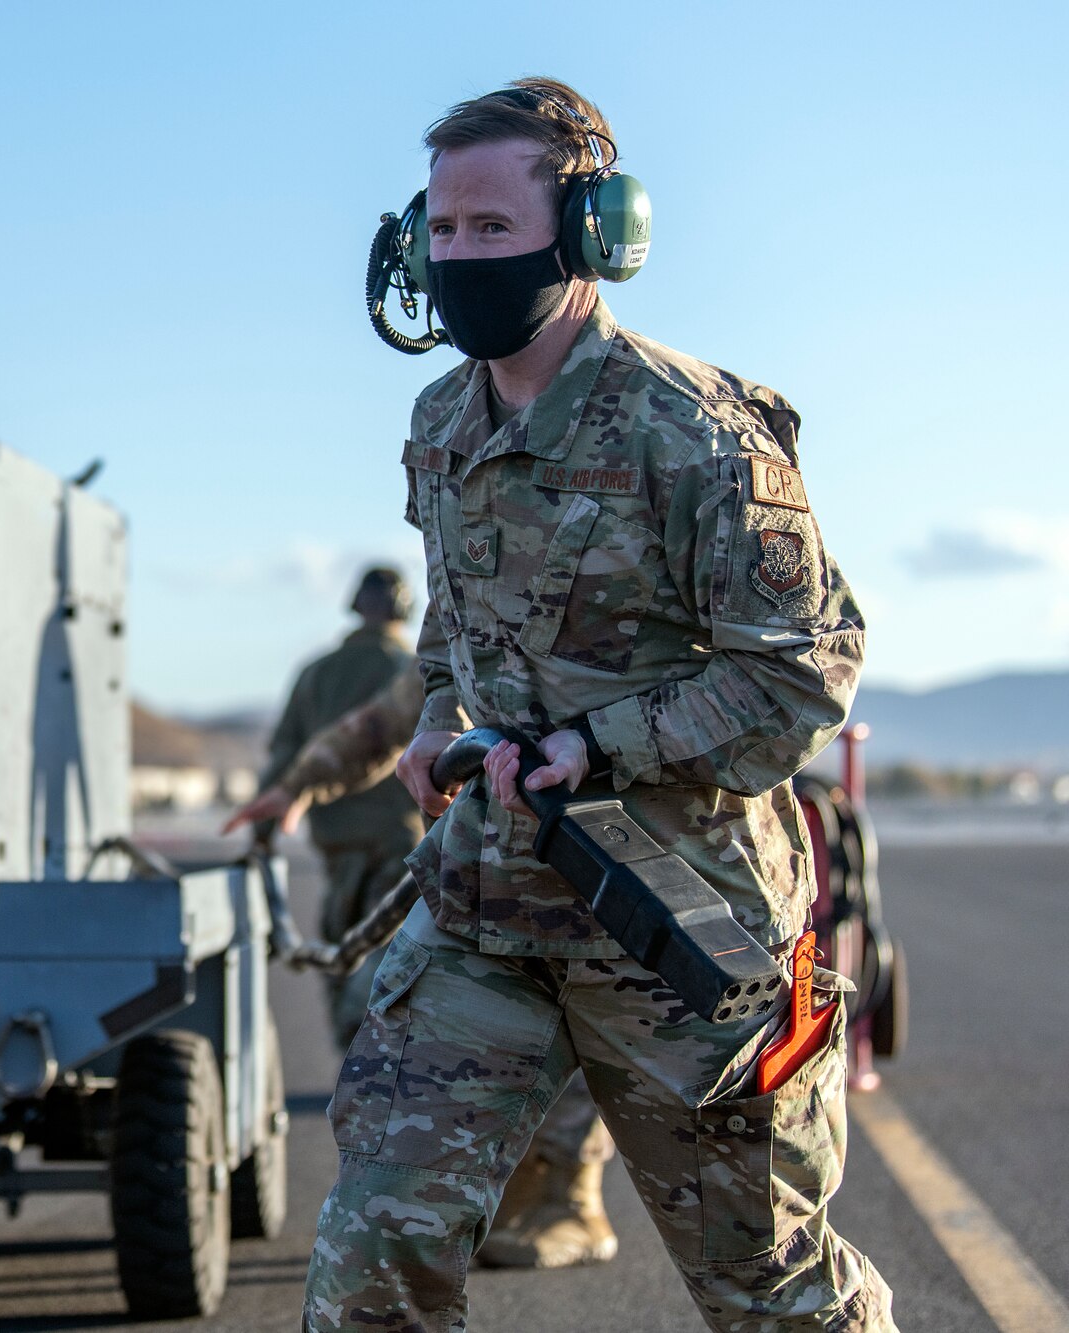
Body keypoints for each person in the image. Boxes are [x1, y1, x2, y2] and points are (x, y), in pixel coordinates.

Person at [304, 79, 895, 1331]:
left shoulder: (693, 432)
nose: (457, 255)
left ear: (584, 235)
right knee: (372, 1256)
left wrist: (593, 742)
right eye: (441, 230)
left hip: (677, 922)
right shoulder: (439, 421)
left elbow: (799, 673)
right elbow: (457, 610)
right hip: (490, 910)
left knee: (767, 1286)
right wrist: (432, 712)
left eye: (489, 228)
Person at [228, 671, 620, 1270]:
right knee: (399, 1011)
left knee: (590, 1033)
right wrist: (296, 786)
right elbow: (387, 718)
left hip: (602, 872)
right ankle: (485, 1194)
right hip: (485, 878)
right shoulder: (480, 621)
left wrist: (595, 745)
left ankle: (569, 1198)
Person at [247, 567, 425, 1050]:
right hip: (401, 844)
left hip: (335, 847)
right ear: (403, 608)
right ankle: (374, 1058)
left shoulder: (315, 673)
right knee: (387, 962)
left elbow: (284, 756)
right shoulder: (414, 671)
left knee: (339, 954)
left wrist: (261, 836)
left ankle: (353, 1063)